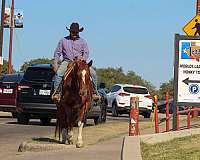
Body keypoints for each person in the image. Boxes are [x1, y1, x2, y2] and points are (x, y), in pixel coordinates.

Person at [52, 22, 100, 103]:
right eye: (73, 32)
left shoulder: (83, 41)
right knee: (59, 73)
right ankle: (57, 93)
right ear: (70, 31)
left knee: (93, 73)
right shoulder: (63, 40)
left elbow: (86, 52)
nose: (74, 34)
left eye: (76, 32)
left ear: (78, 32)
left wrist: (83, 59)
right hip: (67, 61)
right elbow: (57, 52)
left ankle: (95, 92)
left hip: (80, 62)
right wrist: (55, 63)